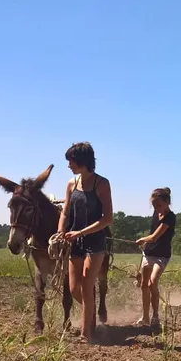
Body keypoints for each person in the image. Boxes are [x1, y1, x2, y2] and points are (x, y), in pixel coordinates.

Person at [58, 142, 113, 343]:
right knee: (74, 289)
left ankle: (86, 334)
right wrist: (60, 231)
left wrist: (80, 231)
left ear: (81, 161)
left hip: (95, 241)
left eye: (70, 161)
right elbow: (65, 212)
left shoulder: (101, 184)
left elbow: (107, 218)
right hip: (74, 242)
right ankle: (89, 315)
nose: (68, 165)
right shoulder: (71, 184)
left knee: (86, 286)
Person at [133, 187, 176, 328]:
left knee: (152, 283)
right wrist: (145, 244)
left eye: (159, 205)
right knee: (144, 285)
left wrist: (143, 239)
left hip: (162, 256)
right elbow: (151, 235)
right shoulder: (155, 213)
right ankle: (145, 317)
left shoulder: (170, 217)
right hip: (149, 253)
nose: (156, 208)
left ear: (167, 202)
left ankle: (155, 317)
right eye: (154, 205)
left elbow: (154, 236)